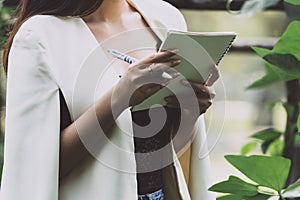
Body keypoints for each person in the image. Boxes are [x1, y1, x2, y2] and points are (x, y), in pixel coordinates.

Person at [1, 0, 217, 199]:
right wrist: (120, 97)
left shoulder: (166, 18)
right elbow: (34, 171)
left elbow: (165, 156)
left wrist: (189, 112)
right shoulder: (38, 37)